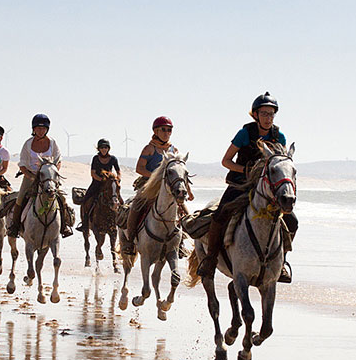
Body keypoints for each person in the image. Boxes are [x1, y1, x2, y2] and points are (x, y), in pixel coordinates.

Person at [196, 92, 295, 283]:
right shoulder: (244, 134)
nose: (268, 118)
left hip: (267, 189)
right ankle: (210, 260)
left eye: (271, 114)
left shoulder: (279, 136)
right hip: (241, 184)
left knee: (292, 222)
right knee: (219, 215)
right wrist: (247, 171)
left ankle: (280, 263)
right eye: (264, 113)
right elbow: (226, 161)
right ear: (256, 115)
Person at [121, 116, 194, 254]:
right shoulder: (149, 149)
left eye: (169, 130)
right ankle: (130, 241)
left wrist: (188, 191)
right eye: (163, 129)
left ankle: (180, 242)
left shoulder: (174, 150)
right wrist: (156, 177)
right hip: (149, 184)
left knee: (184, 212)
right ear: (156, 131)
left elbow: (180, 174)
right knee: (135, 206)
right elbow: (139, 168)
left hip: (169, 186)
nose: (167, 132)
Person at [6, 114, 73, 238]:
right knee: (20, 199)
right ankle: (14, 227)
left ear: (47, 129)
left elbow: (58, 161)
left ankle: (64, 226)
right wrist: (31, 177)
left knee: (62, 199)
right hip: (30, 176)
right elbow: (22, 164)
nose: (41, 131)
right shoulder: (28, 144)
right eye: (38, 128)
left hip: (49, 177)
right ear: (33, 129)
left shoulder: (52, 143)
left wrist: (52, 173)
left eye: (43, 128)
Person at [76, 138, 122, 232]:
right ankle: (85, 223)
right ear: (99, 149)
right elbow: (93, 173)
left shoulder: (113, 159)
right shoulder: (95, 158)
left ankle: (122, 220)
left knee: (120, 200)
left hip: (109, 183)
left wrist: (118, 178)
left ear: (108, 148)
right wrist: (102, 180)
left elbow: (118, 171)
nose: (104, 149)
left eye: (105, 147)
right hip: (97, 183)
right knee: (86, 200)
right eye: (102, 147)